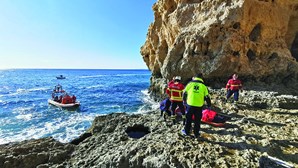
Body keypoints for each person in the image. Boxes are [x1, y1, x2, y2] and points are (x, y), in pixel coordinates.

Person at [182, 73, 211, 139]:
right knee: (197, 121)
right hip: (199, 106)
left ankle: (186, 132)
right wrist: (209, 105)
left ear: (195, 77)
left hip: (190, 105)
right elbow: (207, 97)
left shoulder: (190, 84)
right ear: (201, 78)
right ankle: (196, 133)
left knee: (188, 119)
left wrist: (184, 101)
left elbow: (184, 93)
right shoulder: (203, 86)